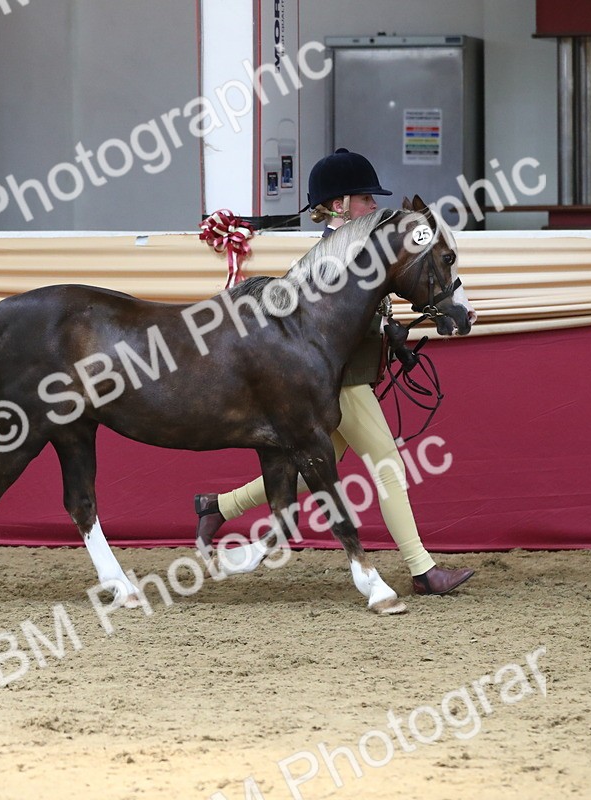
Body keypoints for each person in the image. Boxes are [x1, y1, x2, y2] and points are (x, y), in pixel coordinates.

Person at [194, 148, 476, 598]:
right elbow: (328, 324)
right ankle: (422, 569)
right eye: (365, 199)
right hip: (340, 381)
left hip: (353, 375)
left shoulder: (361, 251)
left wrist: (391, 332)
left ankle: (217, 505)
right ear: (341, 204)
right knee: (388, 465)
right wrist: (382, 328)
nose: (373, 207)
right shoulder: (328, 258)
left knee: (315, 468)